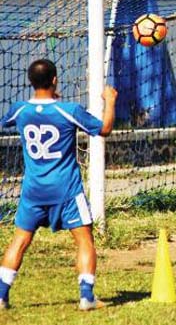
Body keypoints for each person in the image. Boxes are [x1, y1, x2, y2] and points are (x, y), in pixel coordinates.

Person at [0, 59, 117, 310]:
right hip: (66, 190)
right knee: (85, 239)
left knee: (19, 241)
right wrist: (110, 99)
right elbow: (104, 129)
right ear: (55, 80)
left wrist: (45, 101)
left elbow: (8, 121)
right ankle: (87, 297)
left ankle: (1, 296)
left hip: (33, 191)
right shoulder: (69, 110)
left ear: (30, 82)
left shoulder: (19, 110)